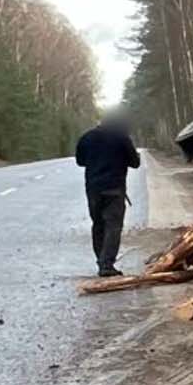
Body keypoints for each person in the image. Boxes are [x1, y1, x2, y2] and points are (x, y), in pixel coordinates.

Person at [74, 110, 141, 277]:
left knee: (98, 224)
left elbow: (80, 161)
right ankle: (106, 264)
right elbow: (135, 163)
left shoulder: (87, 137)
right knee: (113, 226)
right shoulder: (122, 138)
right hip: (115, 189)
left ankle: (101, 261)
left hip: (93, 189)